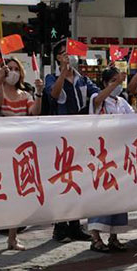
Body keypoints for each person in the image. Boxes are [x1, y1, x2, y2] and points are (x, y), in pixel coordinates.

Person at [0, 58, 41, 252]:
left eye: (16, 69)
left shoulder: (25, 94)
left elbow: (34, 113)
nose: (13, 72)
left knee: (17, 195)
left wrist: (39, 93)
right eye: (10, 69)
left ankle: (12, 239)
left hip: (19, 152)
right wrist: (0, 80)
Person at [43, 40, 95, 244]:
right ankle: (59, 227)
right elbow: (54, 95)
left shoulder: (83, 79)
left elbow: (96, 96)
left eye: (70, 53)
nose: (68, 57)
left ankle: (75, 224)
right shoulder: (52, 77)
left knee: (78, 180)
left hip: (81, 135)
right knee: (62, 181)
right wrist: (63, 73)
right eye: (64, 54)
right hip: (61, 136)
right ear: (57, 58)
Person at [87, 67, 137, 253]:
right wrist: (115, 84)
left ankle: (114, 236)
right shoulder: (97, 98)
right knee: (101, 195)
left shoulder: (122, 101)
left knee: (119, 195)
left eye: (120, 81)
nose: (118, 85)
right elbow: (98, 100)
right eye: (114, 81)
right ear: (105, 82)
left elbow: (135, 120)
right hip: (101, 154)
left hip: (120, 154)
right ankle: (95, 238)